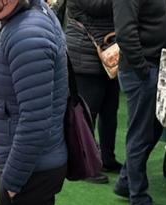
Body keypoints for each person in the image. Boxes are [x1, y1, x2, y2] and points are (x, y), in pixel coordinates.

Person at [0, 0, 70, 205]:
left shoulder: (27, 34)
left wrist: (11, 185)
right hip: (29, 167)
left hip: (29, 170)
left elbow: (35, 121)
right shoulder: (29, 18)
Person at [112, 0, 166, 205]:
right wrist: (143, 70)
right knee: (141, 133)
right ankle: (137, 196)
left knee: (152, 131)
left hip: (158, 66)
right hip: (143, 70)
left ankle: (127, 180)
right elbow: (125, 32)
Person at [63, 0, 123, 176]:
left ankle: (106, 158)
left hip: (107, 49)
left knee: (110, 111)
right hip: (86, 52)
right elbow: (95, 6)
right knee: (89, 112)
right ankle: (86, 162)